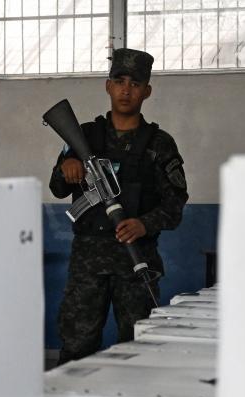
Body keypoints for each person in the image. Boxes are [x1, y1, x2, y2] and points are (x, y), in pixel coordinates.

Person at [49, 47, 188, 365]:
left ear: (147, 91)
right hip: (87, 265)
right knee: (76, 349)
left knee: (139, 351)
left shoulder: (159, 144)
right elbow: (57, 188)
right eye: (119, 80)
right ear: (108, 85)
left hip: (136, 263)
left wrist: (144, 224)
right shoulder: (84, 136)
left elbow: (175, 205)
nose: (126, 90)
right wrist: (67, 166)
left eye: (135, 84)